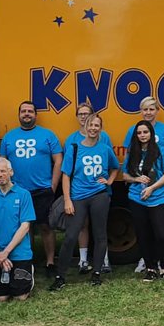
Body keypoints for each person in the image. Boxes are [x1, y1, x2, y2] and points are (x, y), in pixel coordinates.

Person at [0, 101, 63, 277]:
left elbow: (58, 159)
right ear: (19, 114)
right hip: (18, 190)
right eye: (23, 111)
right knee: (23, 228)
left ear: (36, 115)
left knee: (45, 226)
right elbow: (2, 163)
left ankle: (50, 262)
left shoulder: (47, 135)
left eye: (30, 111)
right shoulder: (9, 137)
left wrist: (53, 185)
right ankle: (27, 261)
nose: (27, 114)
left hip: (42, 189)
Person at [56, 113, 120, 289]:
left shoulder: (105, 149)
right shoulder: (74, 148)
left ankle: (97, 273)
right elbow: (66, 175)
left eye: (97, 126)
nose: (93, 128)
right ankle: (60, 275)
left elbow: (115, 167)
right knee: (70, 236)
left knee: (100, 235)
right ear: (85, 127)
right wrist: (68, 200)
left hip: (100, 194)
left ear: (101, 128)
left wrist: (110, 181)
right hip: (78, 196)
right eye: (90, 125)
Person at [123, 119, 164, 281]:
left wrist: (152, 188)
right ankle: (150, 268)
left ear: (151, 134)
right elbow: (125, 175)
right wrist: (137, 180)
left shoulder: (161, 151)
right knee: (143, 234)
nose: (142, 135)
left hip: (158, 198)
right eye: (139, 133)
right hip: (137, 198)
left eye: (145, 132)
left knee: (161, 235)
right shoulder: (132, 151)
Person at [0, 157, 36, 302]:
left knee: (20, 296)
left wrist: (6, 252)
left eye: (3, 171)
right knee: (1, 298)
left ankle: (29, 276)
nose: (0, 175)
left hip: (19, 254)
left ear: (11, 172)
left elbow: (25, 226)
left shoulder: (24, 194)